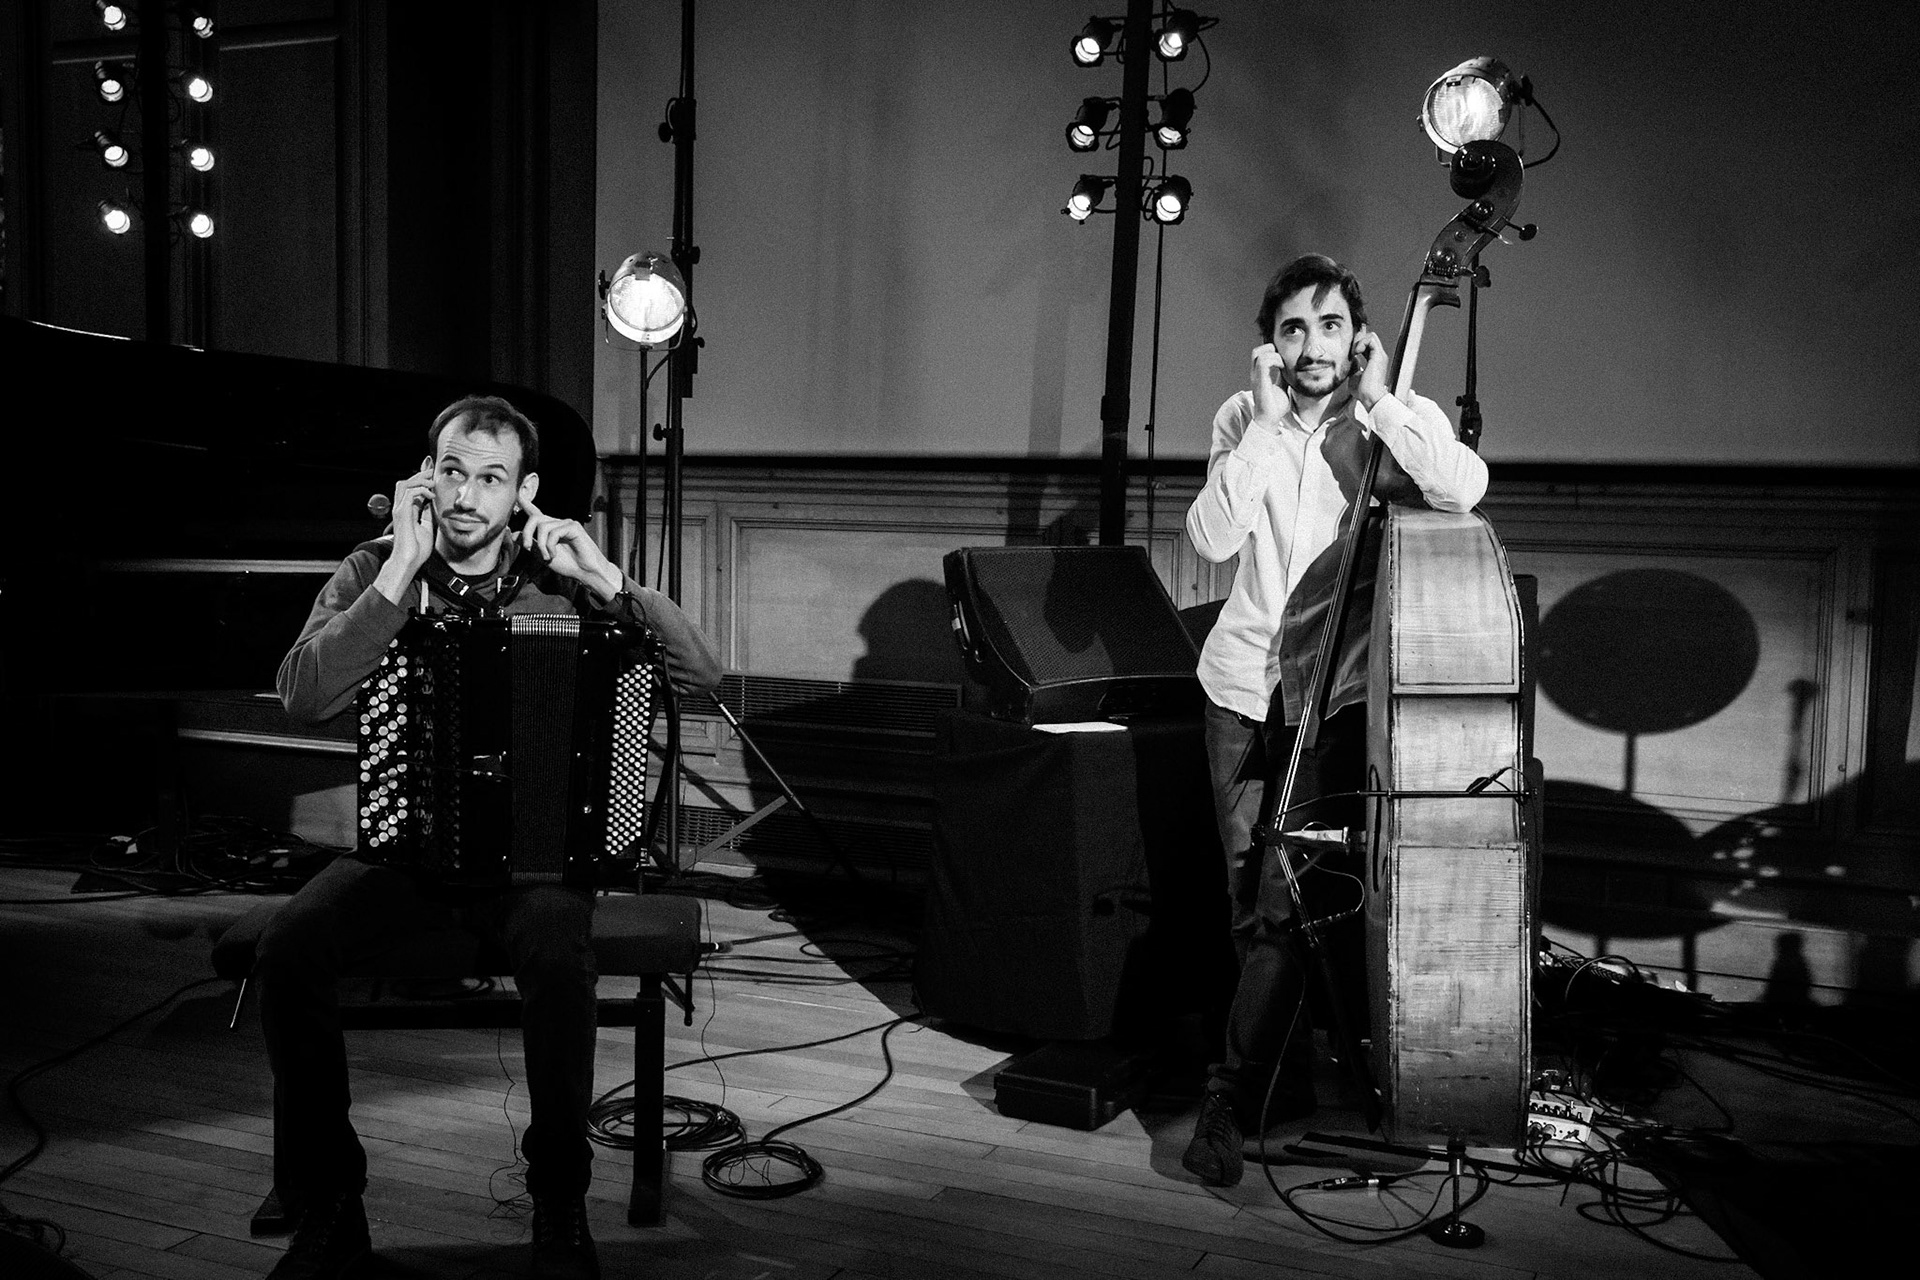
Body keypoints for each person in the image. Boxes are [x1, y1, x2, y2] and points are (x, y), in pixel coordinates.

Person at [260, 395, 722, 1279]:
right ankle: (331, 1203)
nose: (468, 495)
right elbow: (304, 696)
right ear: (426, 477)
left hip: (536, 865)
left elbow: (702, 672)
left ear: (524, 493)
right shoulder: (374, 569)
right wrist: (399, 573)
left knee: (556, 948)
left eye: (491, 478)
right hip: (406, 853)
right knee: (290, 948)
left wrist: (608, 580)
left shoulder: (557, 578)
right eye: (453, 471)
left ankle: (559, 1204)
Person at [1180, 255, 1487, 1186]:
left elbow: (1463, 487)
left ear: (1357, 335)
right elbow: (1210, 538)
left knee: (1287, 905)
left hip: (1330, 698)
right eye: (1292, 329)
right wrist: (1266, 426)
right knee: (1246, 900)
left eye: (1328, 325)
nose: (1311, 345)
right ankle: (1278, 1082)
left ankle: (1228, 1098)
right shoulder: (1245, 419)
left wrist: (1384, 400)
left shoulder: (1389, 422)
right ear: (1270, 344)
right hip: (1238, 689)